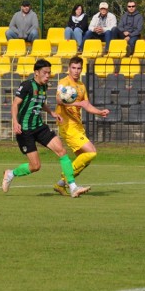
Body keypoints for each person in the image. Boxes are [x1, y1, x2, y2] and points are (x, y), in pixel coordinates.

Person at [1, 58, 91, 198]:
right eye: (45, 72)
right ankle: (10, 174)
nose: (48, 75)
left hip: (39, 126)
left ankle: (73, 187)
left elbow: (41, 103)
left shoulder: (44, 86)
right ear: (36, 72)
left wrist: (51, 113)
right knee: (35, 166)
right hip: (25, 130)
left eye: (49, 72)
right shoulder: (27, 85)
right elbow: (15, 105)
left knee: (61, 151)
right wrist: (15, 122)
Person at [51, 56, 110, 195]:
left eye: (78, 68)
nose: (76, 71)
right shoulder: (64, 82)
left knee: (85, 160)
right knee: (91, 152)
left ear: (81, 69)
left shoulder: (82, 86)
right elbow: (59, 99)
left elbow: (87, 105)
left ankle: (61, 184)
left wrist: (99, 112)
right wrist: (77, 103)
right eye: (73, 68)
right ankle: (69, 183)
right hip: (67, 125)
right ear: (69, 68)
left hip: (77, 126)